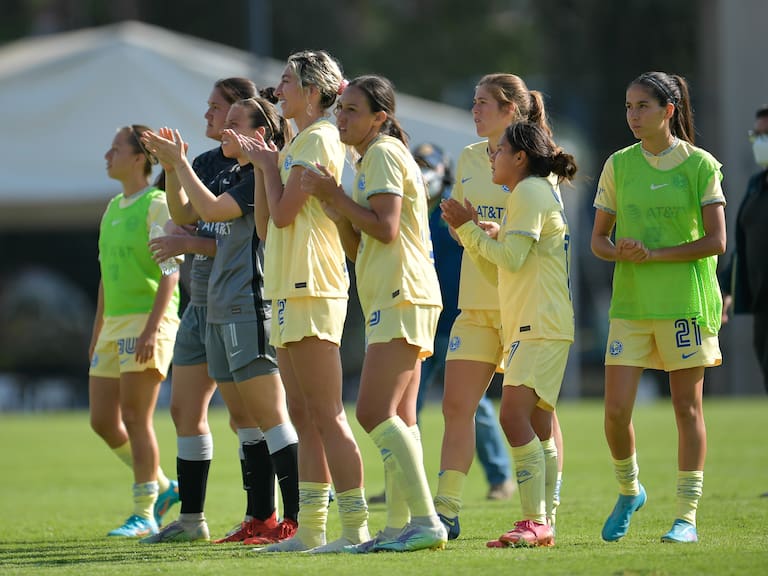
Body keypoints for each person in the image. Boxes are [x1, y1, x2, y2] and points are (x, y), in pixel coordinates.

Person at [141, 96, 301, 545]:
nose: (224, 129)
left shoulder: (258, 177)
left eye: (235, 123)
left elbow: (209, 213)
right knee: (245, 419)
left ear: (260, 135)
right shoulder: (232, 173)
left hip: (248, 304)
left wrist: (180, 162)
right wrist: (174, 168)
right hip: (220, 305)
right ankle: (260, 519)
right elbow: (187, 213)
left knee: (271, 416)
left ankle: (296, 520)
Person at [302, 75, 447, 553]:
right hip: (398, 293)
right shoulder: (368, 160)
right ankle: (399, 526)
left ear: (379, 117)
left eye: (351, 111)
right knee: (401, 417)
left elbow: (385, 230)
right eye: (339, 109)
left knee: (371, 412)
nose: (340, 117)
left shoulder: (382, 153)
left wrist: (337, 197)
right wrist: (336, 207)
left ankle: (425, 523)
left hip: (403, 293)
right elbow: (359, 245)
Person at [591, 71, 726, 544]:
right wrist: (620, 251)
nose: (632, 115)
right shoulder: (618, 165)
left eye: (642, 106)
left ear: (668, 110)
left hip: (684, 304)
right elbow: (598, 242)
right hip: (631, 304)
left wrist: (657, 255)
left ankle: (686, 516)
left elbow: (716, 241)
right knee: (613, 412)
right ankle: (630, 490)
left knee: (687, 410)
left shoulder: (701, 165)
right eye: (628, 106)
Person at [244, 50, 369, 553]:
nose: (278, 90)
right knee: (301, 412)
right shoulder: (298, 140)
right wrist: (262, 166)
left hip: (312, 285)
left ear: (314, 91)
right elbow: (264, 225)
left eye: (286, 81)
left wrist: (268, 165)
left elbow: (283, 214)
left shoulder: (318, 137)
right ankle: (313, 529)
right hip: (284, 285)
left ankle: (355, 527)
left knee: (327, 410)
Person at [433, 74, 564, 541]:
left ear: (512, 109)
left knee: (535, 415)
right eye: (473, 101)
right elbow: (461, 226)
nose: (475, 109)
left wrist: (481, 229)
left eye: (484, 102)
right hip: (476, 302)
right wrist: (466, 227)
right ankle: (445, 512)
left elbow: (532, 239)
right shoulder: (469, 158)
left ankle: (544, 511)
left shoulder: (536, 164)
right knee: (455, 406)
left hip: (523, 306)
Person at [88, 124, 181, 537]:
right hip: (113, 327)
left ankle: (144, 512)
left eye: (114, 149)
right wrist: (97, 333)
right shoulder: (111, 208)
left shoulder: (156, 203)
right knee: (102, 421)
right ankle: (163, 487)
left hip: (148, 322)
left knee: (135, 417)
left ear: (139, 158)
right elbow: (107, 277)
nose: (107, 156)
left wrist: (152, 327)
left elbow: (170, 271)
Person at [412, 143, 514, 502]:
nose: (421, 170)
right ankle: (410, 483)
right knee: (411, 403)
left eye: (427, 164)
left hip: (461, 314)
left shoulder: (451, 209)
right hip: (425, 318)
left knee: (475, 405)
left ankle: (500, 477)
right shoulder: (414, 210)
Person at [720, 105, 768, 394]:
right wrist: (727, 287)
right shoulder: (756, 186)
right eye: (758, 135)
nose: (762, 142)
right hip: (763, 305)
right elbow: (744, 245)